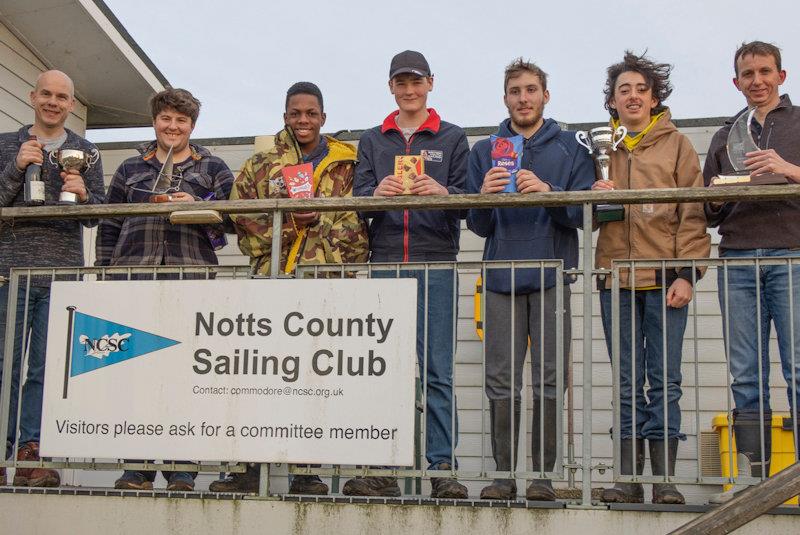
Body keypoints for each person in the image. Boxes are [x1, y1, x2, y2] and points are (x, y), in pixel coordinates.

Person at [215, 81, 368, 494]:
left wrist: (344, 267)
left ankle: (306, 471)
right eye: (295, 113)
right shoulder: (260, 165)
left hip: (325, 285)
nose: (303, 120)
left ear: (323, 117)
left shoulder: (347, 165)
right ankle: (250, 468)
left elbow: (359, 224)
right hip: (271, 282)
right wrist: (284, 227)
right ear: (285, 117)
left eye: (311, 113)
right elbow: (238, 219)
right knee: (259, 374)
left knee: (316, 379)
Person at [466, 58, 594, 501]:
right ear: (505, 98)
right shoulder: (484, 150)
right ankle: (504, 474)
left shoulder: (571, 147)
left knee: (549, 378)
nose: (524, 98)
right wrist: (482, 197)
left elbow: (584, 215)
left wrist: (551, 194)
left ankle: (542, 475)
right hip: (501, 277)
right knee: (501, 379)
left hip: (552, 275)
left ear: (545, 95)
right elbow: (478, 227)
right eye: (515, 91)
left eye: (531, 90)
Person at [96, 88, 234, 491]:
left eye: (181, 121)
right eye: (166, 119)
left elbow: (229, 224)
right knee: (136, 373)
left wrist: (196, 203)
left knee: (187, 374)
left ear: (192, 125)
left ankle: (182, 467)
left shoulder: (214, 167)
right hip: (133, 277)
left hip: (191, 279)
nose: (173, 127)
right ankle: (136, 465)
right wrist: (106, 275)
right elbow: (109, 226)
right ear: (155, 120)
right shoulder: (128, 168)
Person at [350, 50, 469, 499]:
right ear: (391, 88)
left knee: (438, 371)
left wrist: (442, 191)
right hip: (384, 265)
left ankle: (442, 469)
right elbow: (358, 198)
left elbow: (467, 199)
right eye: (401, 83)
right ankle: (383, 467)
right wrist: (373, 193)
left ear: (430, 84)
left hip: (437, 262)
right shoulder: (372, 139)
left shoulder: (454, 137)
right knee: (388, 372)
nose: (409, 89)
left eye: (416, 82)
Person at [592, 52, 710, 505]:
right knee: (625, 382)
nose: (633, 96)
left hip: (665, 281)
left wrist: (687, 274)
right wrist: (595, 194)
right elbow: (588, 216)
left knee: (664, 380)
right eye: (624, 90)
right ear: (614, 101)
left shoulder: (677, 143)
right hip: (616, 278)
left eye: (641, 89)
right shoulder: (602, 148)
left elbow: (692, 213)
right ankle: (627, 480)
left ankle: (664, 482)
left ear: (654, 97)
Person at [703, 41, 800, 503]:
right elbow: (707, 210)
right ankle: (755, 480)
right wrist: (718, 196)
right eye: (747, 74)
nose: (756, 80)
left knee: (798, 368)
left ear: (782, 76)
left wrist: (788, 169)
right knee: (746, 373)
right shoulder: (725, 136)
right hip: (738, 256)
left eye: (765, 71)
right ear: (736, 82)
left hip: (792, 256)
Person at [0, 70, 105, 487]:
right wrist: (15, 168)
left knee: (45, 368)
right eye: (47, 93)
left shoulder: (86, 151)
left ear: (71, 105)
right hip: (9, 271)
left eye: (62, 97)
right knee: (3, 365)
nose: (53, 102)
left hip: (62, 273)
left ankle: (32, 451)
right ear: (32, 96)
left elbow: (97, 215)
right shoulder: (7, 143)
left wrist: (83, 194)